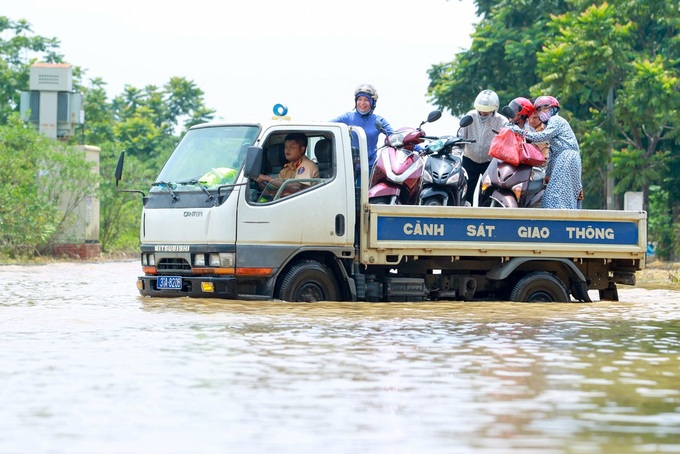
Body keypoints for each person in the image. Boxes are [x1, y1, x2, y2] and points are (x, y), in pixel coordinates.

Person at [508, 95, 583, 209]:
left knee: (558, 193)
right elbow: (552, 154)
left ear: (553, 108)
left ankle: (560, 218)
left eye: (545, 108)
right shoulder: (552, 125)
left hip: (566, 158)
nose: (542, 112)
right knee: (564, 192)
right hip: (564, 158)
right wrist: (548, 174)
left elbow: (543, 136)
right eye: (539, 109)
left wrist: (518, 131)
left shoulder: (555, 120)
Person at [331, 84, 394, 172]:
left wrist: (417, 148)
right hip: (349, 168)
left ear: (373, 102)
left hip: (369, 168)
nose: (362, 103)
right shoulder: (347, 117)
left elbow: (395, 136)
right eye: (359, 99)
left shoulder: (379, 120)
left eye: (366, 100)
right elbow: (328, 126)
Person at [461, 89, 507, 205]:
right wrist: (457, 154)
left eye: (486, 111)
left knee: (487, 191)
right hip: (470, 159)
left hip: (490, 162)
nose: (483, 113)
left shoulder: (502, 121)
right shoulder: (470, 116)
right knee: (466, 191)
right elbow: (460, 138)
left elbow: (505, 143)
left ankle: (484, 216)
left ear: (494, 108)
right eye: (481, 110)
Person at [256, 132, 319, 198]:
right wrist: (260, 181)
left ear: (302, 149)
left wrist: (267, 178)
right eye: (285, 147)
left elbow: (295, 188)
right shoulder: (287, 168)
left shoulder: (306, 165)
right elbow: (276, 186)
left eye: (291, 147)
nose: (287, 150)